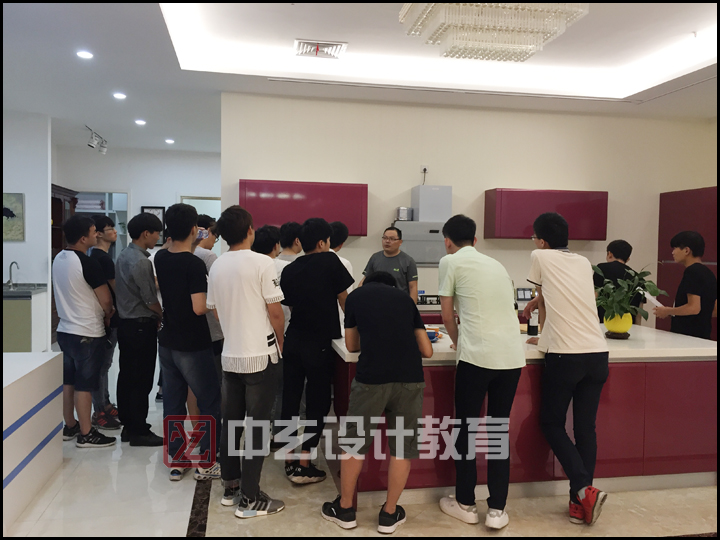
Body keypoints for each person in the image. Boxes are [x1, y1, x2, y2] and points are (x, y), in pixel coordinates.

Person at [321, 271, 432, 534]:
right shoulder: (406, 300)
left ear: (367, 282)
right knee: (402, 447)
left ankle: (345, 509)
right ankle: (389, 514)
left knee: (354, 442)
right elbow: (427, 350)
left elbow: (351, 345)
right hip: (410, 380)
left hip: (371, 380)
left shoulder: (356, 297)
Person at [436, 215, 526, 530]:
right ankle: (497, 510)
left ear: (447, 241)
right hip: (511, 358)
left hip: (476, 358)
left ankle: (465, 504)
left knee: (466, 429)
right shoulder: (497, 265)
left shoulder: (449, 261)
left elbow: (447, 314)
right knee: (499, 429)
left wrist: (458, 341)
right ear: (475, 240)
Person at [522, 212, 609, 526]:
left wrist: (543, 332)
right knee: (586, 429)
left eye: (535, 237)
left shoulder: (540, 256)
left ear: (542, 241)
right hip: (597, 353)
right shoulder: (583, 262)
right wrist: (544, 330)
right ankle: (580, 502)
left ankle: (583, 489)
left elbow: (545, 299)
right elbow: (558, 296)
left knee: (551, 423)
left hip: (566, 356)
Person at [208, 205, 286, 518]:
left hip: (231, 356)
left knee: (231, 424)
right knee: (256, 428)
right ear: (250, 230)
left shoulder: (217, 265)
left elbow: (215, 310)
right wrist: (280, 342)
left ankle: (231, 486)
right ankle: (251, 499)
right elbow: (276, 312)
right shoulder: (263, 263)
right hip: (260, 357)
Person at [280, 217, 354, 483]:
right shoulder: (330, 261)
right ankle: (304, 462)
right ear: (323, 242)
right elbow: (345, 299)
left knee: (290, 399)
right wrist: (356, 329)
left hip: (293, 339)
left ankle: (289, 457)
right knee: (318, 401)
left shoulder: (290, 269)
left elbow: (290, 306)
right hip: (319, 343)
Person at [154, 203, 222, 481]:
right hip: (193, 342)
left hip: (167, 339)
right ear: (195, 229)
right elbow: (198, 307)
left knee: (173, 401)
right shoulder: (194, 264)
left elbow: (171, 255)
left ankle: (177, 460)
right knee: (208, 401)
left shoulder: (160, 257)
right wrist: (216, 301)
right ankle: (207, 461)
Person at [53, 215, 116, 448]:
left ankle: (70, 425)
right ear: (83, 238)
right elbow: (106, 300)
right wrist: (109, 314)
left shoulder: (59, 258)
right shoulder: (88, 263)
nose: (96, 234)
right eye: (93, 231)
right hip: (87, 331)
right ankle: (86, 433)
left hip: (65, 329)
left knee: (68, 381)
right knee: (85, 384)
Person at [115, 211, 164, 446]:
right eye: (156, 234)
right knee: (141, 379)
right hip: (140, 327)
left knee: (127, 377)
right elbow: (149, 299)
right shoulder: (141, 261)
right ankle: (138, 430)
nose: (157, 238)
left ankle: (129, 426)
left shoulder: (124, 255)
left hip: (126, 325)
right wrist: (162, 314)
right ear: (146, 233)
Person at [251, 224, 290, 448]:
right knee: (280, 389)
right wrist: (281, 339)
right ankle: (279, 435)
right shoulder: (282, 267)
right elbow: (279, 309)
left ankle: (259, 437)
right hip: (278, 333)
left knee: (257, 393)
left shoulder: (247, 266)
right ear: (276, 245)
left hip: (253, 335)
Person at [88, 214, 121, 430]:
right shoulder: (103, 259)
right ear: (98, 233)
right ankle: (99, 409)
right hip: (108, 317)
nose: (114, 231)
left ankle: (105, 404)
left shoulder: (97, 257)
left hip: (106, 316)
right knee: (102, 365)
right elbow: (115, 289)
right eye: (110, 228)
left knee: (105, 364)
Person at [654, 231, 718, 339]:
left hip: (686, 337)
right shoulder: (709, 274)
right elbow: (715, 309)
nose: (673, 252)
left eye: (675, 248)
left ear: (687, 250)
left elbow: (693, 307)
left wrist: (667, 311)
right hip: (704, 336)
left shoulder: (692, 272)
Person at [194, 214, 224, 381]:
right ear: (205, 232)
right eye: (215, 236)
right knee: (214, 376)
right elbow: (219, 288)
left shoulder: (180, 252)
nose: (214, 241)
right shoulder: (208, 256)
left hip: (188, 326)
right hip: (210, 324)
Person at [359, 226, 418, 304]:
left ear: (400, 242)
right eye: (385, 238)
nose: (387, 241)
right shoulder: (375, 258)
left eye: (392, 239)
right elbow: (364, 281)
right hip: (377, 303)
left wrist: (412, 308)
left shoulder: (408, 261)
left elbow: (413, 287)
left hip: (398, 304)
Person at [593, 239, 643, 323]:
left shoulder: (601, 268)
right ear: (628, 259)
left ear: (609, 254)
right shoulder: (638, 278)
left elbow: (595, 296)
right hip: (627, 325)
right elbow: (639, 311)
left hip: (604, 322)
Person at [329, 221, 355, 332]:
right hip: (338, 321)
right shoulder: (343, 263)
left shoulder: (308, 260)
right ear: (341, 244)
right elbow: (346, 296)